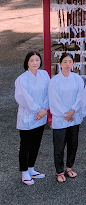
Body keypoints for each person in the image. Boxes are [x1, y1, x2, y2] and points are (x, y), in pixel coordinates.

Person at [49, 53, 84, 182]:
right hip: (60, 118)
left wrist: (73, 111)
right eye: (65, 62)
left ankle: (69, 167)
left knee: (73, 144)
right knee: (59, 146)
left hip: (74, 116)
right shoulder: (54, 81)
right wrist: (66, 114)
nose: (67, 64)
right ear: (60, 64)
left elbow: (81, 95)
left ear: (73, 63)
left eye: (70, 61)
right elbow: (54, 99)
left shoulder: (78, 79)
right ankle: (59, 171)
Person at [16, 51, 50, 185]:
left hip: (40, 115)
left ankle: (31, 168)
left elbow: (49, 92)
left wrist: (44, 109)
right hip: (28, 116)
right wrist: (38, 110)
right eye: (32, 60)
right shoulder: (22, 79)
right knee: (25, 145)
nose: (35, 62)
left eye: (37, 60)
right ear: (27, 63)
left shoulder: (44, 74)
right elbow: (24, 98)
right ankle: (24, 172)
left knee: (36, 143)